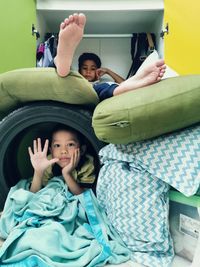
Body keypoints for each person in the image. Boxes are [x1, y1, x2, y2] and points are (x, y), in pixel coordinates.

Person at [53, 13, 166, 101]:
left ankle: (135, 82)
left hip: (99, 91)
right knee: (68, 77)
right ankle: (61, 61)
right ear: (79, 69)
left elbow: (123, 82)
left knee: (104, 87)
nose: (88, 72)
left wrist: (108, 71)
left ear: (97, 70)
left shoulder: (102, 82)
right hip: (79, 87)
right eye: (85, 68)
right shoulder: (77, 77)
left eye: (92, 69)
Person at [28, 124, 95, 194]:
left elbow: (85, 197)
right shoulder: (47, 163)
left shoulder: (87, 164)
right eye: (57, 145)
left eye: (70, 144)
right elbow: (34, 194)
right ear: (51, 151)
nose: (63, 151)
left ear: (82, 150)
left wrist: (66, 173)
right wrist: (38, 172)